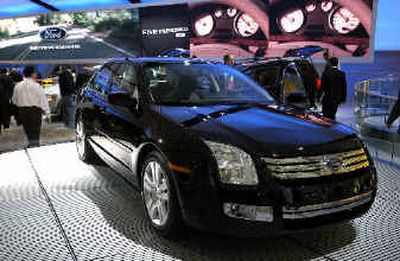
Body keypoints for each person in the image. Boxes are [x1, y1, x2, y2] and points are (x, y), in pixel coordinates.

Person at [12, 66, 50, 148]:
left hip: (22, 111)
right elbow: (43, 100)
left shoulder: (18, 86)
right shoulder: (37, 86)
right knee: (35, 131)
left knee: (28, 131)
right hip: (35, 111)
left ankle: (31, 144)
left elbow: (14, 100)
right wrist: (47, 114)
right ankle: (35, 146)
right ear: (33, 74)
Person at [0, 69, 13, 134]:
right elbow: (11, 88)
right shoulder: (9, 78)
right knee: (6, 111)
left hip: (1, 97)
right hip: (6, 98)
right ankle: (6, 126)